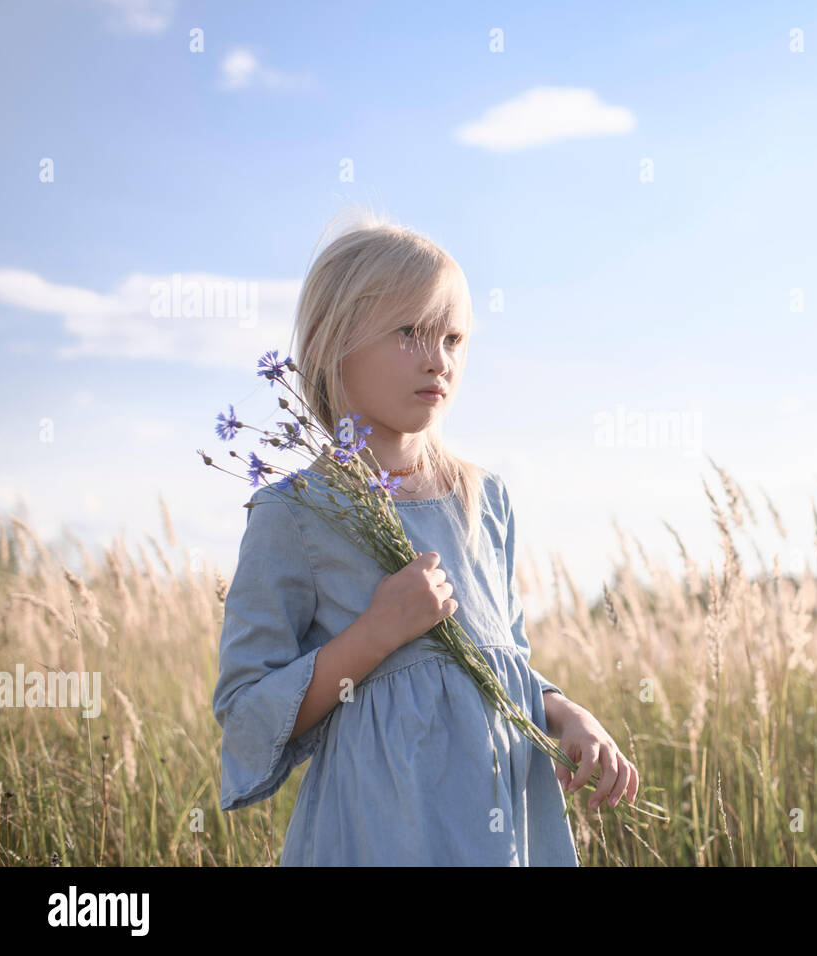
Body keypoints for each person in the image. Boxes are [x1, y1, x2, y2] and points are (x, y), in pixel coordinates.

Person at [211, 213, 638, 865]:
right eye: (408, 332)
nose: (437, 359)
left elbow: (503, 659)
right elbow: (247, 712)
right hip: (382, 834)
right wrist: (376, 632)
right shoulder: (293, 513)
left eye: (454, 338)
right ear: (333, 340)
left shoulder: (482, 499)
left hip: (500, 830)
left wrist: (564, 713)